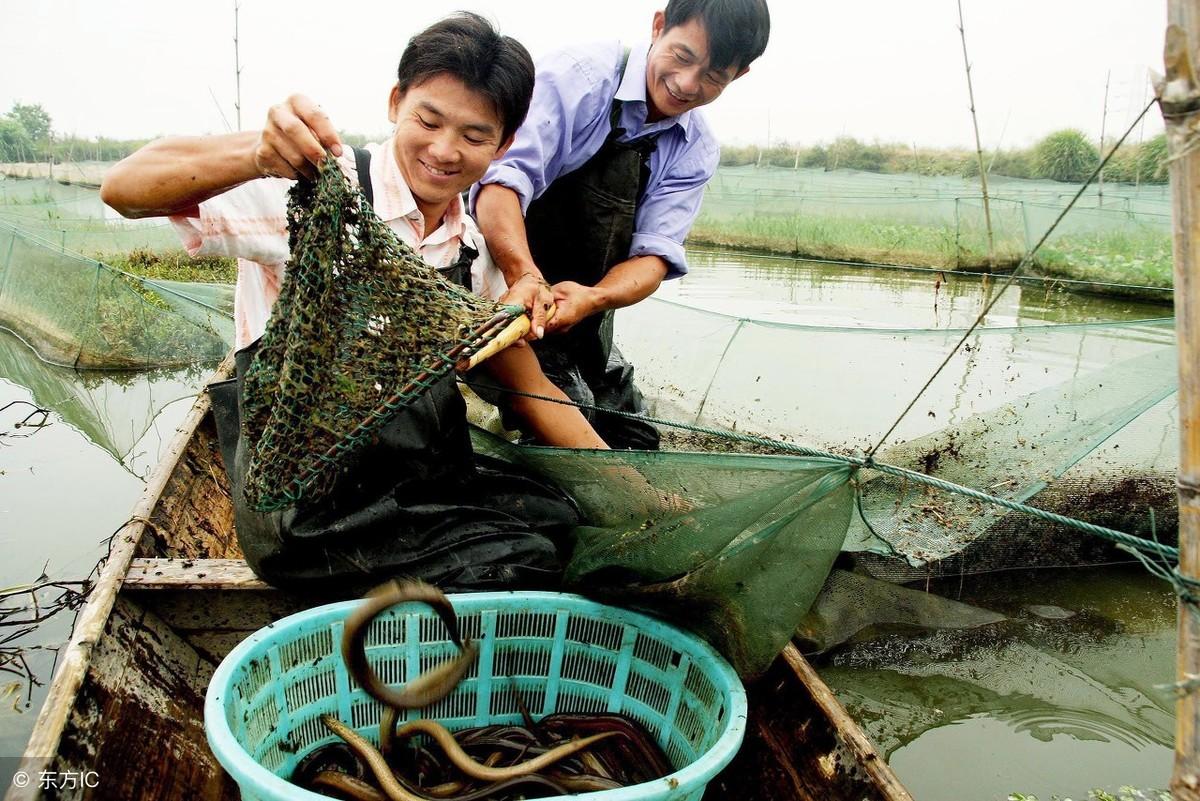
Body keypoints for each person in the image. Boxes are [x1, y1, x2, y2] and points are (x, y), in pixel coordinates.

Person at [101, 13, 603, 593]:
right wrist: (255, 154)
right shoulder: (316, 191)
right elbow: (125, 189)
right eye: (429, 120)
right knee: (522, 560)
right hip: (310, 508)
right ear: (396, 102)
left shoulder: (472, 247)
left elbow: (523, 380)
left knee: (566, 523)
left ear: (504, 143)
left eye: (473, 135)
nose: (444, 150)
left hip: (420, 481)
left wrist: (626, 481)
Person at [472, 0, 770, 450]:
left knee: (635, 439)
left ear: (738, 76)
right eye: (683, 57)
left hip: (581, 308)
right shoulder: (579, 78)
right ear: (658, 27)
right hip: (499, 284)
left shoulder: (696, 148)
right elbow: (500, 187)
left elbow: (653, 258)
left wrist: (594, 298)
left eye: (714, 76)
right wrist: (526, 277)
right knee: (568, 416)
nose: (687, 85)